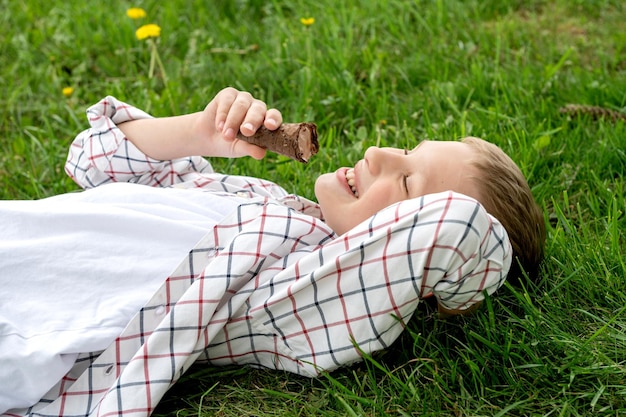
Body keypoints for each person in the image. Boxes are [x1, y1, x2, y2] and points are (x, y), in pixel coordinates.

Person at [0, 87, 545, 417]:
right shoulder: (267, 200)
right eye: (405, 151)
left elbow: (461, 228)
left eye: (405, 185)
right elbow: (95, 160)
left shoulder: (306, 291)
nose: (378, 152)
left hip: (30, 318)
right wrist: (200, 132)